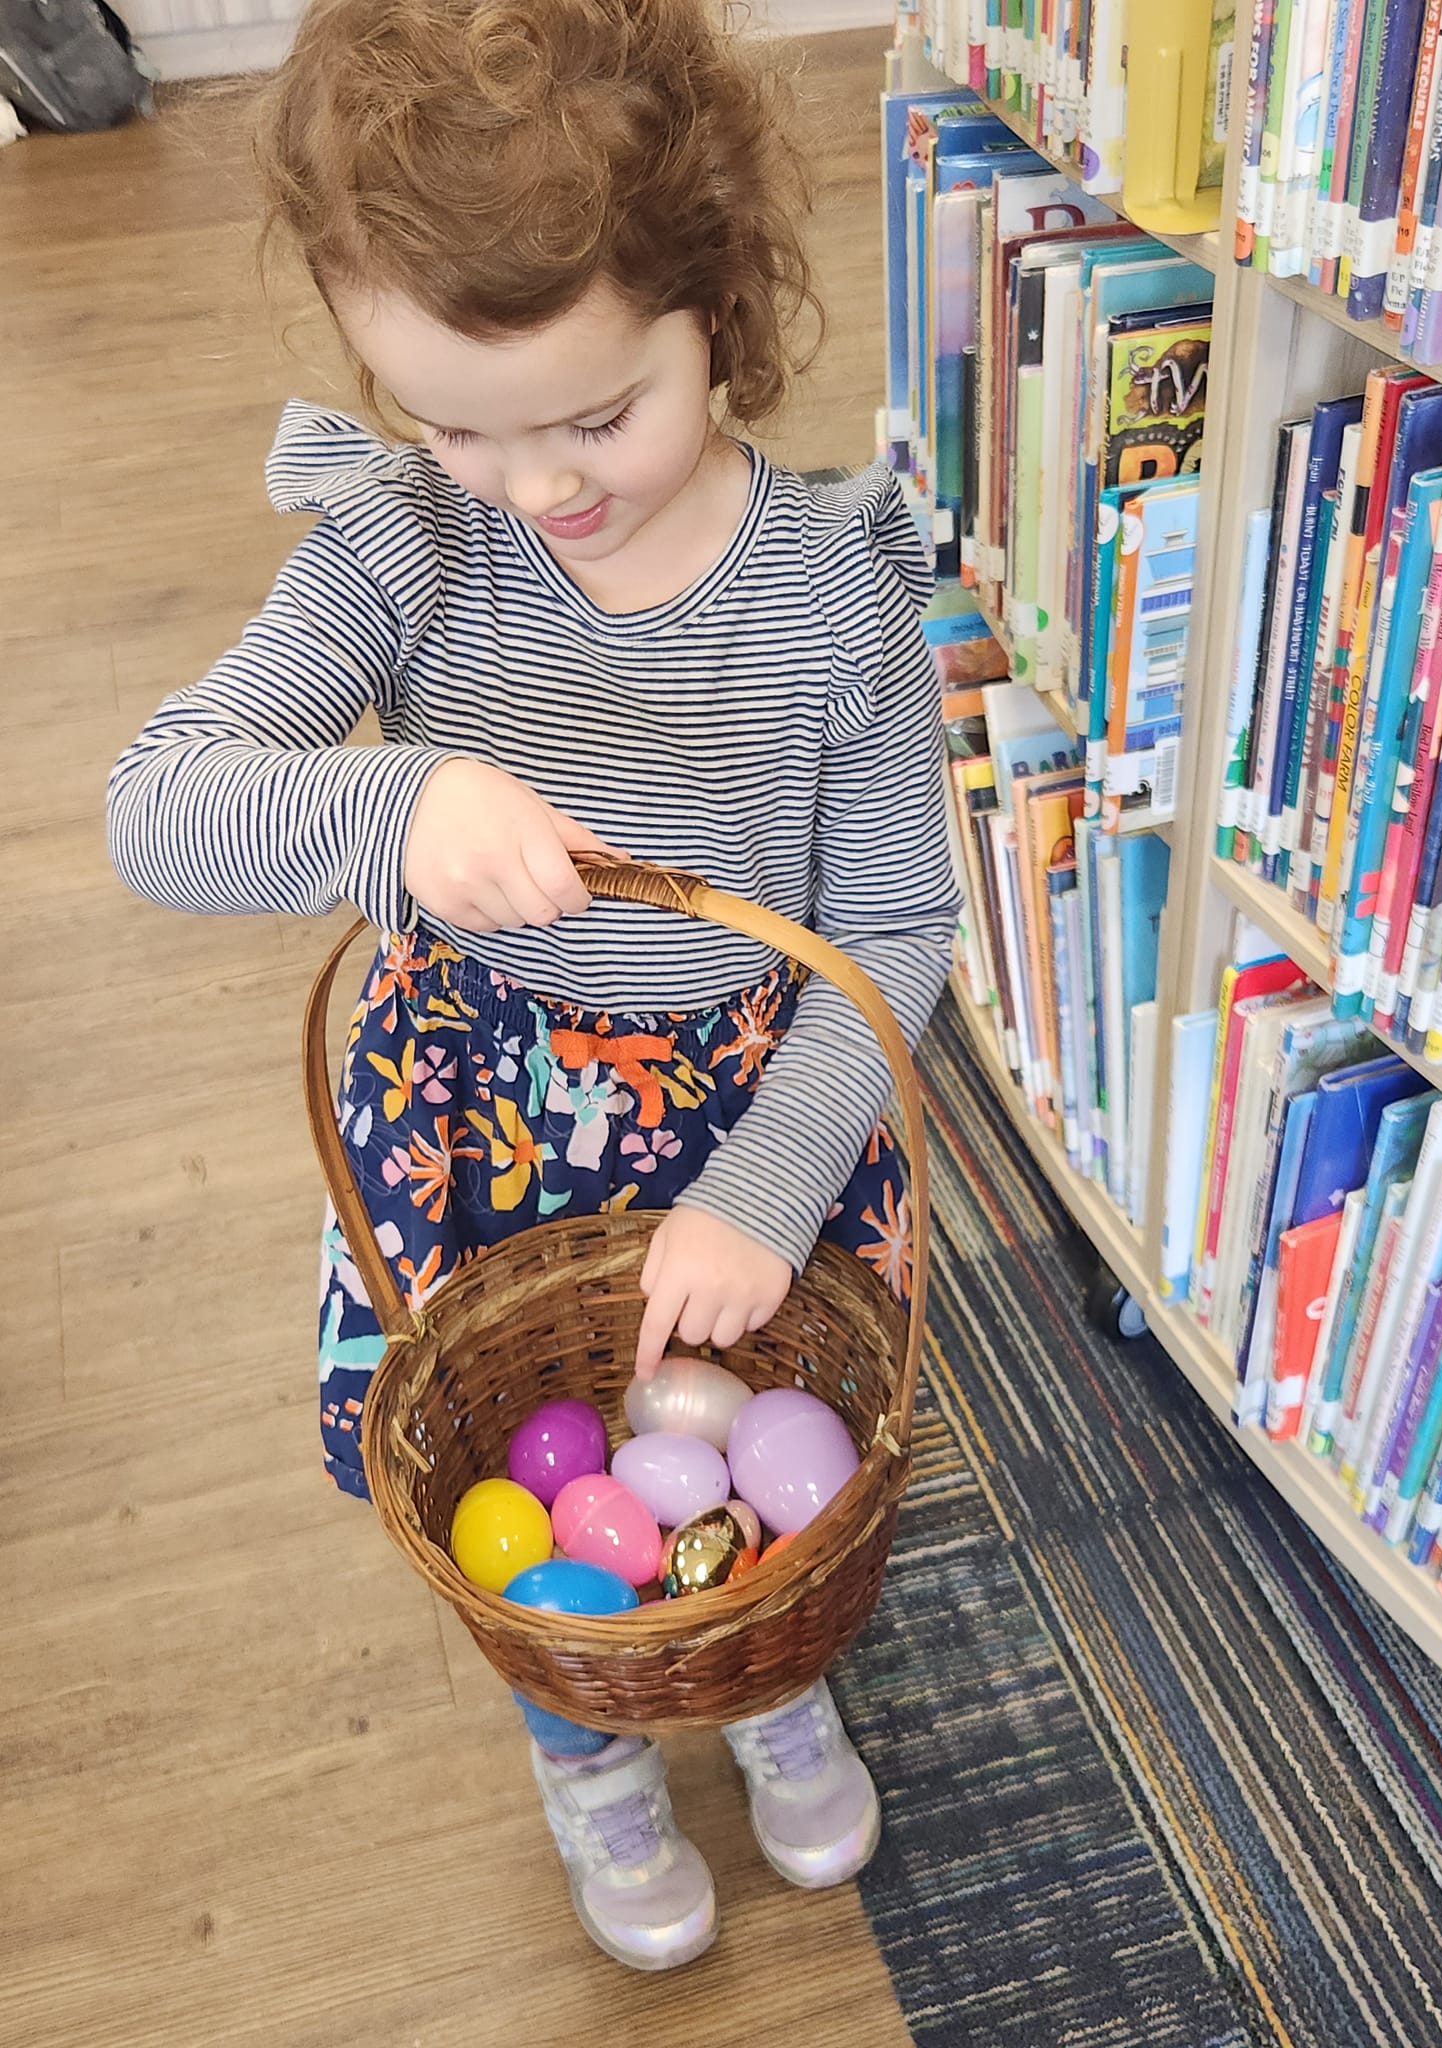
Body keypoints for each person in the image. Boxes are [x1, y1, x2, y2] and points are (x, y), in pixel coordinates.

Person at [107, 0, 957, 1973]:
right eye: (460, 421)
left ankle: (765, 1679)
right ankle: (585, 1744)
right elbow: (160, 812)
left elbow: (897, 915)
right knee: (520, 1465)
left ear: (718, 314)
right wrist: (391, 803)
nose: (536, 485)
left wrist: (770, 1179)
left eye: (597, 414)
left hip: (750, 1113)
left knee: (751, 1426)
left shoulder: (834, 590)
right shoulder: (405, 541)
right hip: (486, 1127)